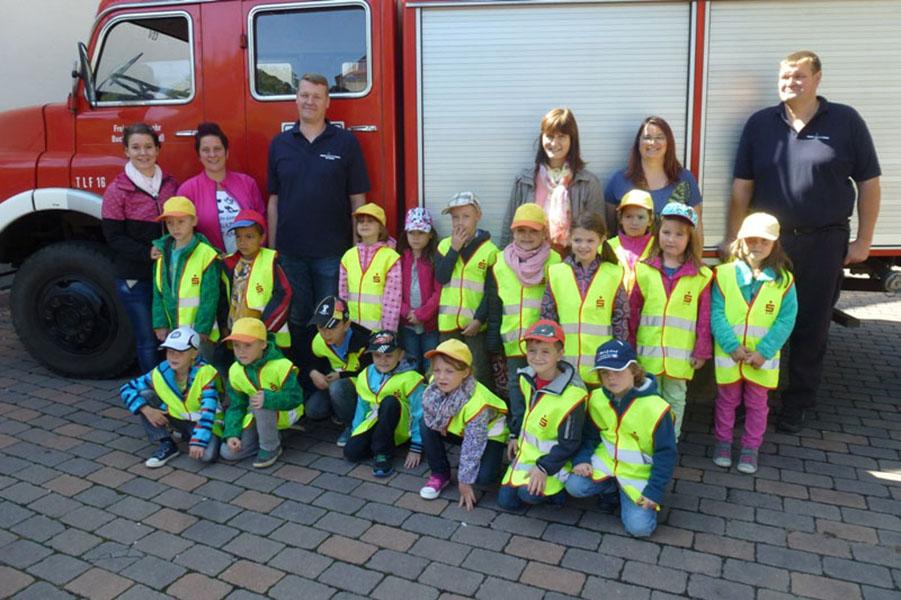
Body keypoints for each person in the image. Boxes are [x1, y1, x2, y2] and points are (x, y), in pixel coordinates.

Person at [725, 50, 881, 433]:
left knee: (811, 324)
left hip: (825, 241)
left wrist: (864, 241)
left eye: (798, 77)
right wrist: (733, 236)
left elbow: (870, 185)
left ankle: (798, 403)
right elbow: (742, 189)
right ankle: (754, 397)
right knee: (757, 322)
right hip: (768, 245)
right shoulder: (761, 124)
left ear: (817, 78)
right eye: (784, 77)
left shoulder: (846, 121)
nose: (790, 83)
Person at [267, 72, 370, 371]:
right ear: (296, 99)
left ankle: (330, 381)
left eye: (316, 96)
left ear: (327, 102)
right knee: (298, 318)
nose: (309, 101)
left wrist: (356, 249)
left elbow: (357, 199)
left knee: (330, 320)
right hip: (291, 251)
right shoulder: (280, 144)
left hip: (332, 251)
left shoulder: (346, 143)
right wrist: (274, 251)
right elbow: (273, 201)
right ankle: (305, 380)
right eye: (304, 95)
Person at [712, 213, 797, 473]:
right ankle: (723, 443)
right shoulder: (723, 275)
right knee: (726, 401)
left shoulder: (783, 281)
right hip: (730, 355)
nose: (757, 245)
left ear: (775, 245)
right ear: (740, 242)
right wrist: (732, 346)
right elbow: (716, 313)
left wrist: (764, 351)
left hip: (761, 360)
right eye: (751, 240)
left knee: (757, 404)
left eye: (765, 241)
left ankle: (750, 448)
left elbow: (785, 320)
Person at [566, 339, 677, 538]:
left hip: (638, 477)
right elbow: (589, 436)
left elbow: (666, 455)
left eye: (617, 371)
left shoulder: (657, 408)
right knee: (574, 486)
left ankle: (631, 496)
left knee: (639, 529)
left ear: (634, 370)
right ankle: (611, 488)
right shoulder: (597, 398)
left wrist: (654, 491)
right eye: (604, 373)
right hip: (607, 465)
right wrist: (582, 459)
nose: (611, 378)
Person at [630, 203, 712, 439]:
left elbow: (704, 318)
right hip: (649, 353)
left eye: (679, 234)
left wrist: (702, 350)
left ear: (690, 238)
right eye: (666, 232)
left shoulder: (701, 276)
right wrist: (630, 346)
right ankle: (647, 440)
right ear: (658, 233)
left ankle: (670, 441)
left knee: (675, 398)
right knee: (647, 397)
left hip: (680, 356)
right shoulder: (644, 270)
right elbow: (633, 312)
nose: (671, 239)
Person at [101, 122, 179, 372]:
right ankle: (154, 393)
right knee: (148, 340)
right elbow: (113, 237)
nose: (143, 153)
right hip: (135, 278)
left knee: (171, 338)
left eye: (148, 147)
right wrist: (147, 253)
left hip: (167, 277)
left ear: (158, 150)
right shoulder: (117, 191)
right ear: (126, 151)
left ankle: (176, 393)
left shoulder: (170, 184)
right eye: (136, 147)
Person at [498, 320, 586, 510]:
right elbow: (522, 414)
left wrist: (543, 468)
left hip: (555, 462)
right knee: (507, 503)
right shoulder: (526, 378)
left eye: (545, 352)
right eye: (532, 351)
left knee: (526, 495)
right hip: (526, 457)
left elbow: (570, 443)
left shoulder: (573, 396)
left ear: (560, 354)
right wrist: (514, 435)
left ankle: (558, 494)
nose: (537, 357)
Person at [418, 339, 508, 511]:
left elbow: (473, 445)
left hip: (488, 434)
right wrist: (440, 423)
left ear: (466, 372)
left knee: (484, 478)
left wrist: (464, 481)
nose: (441, 377)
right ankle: (440, 473)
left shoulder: (477, 404)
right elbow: (432, 413)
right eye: (437, 370)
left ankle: (495, 463)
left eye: (449, 371)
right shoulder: (435, 384)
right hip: (460, 430)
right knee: (425, 423)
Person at [542, 211, 628, 388]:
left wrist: (618, 358)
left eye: (590, 241)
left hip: (602, 367)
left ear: (602, 240)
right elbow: (548, 318)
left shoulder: (613, 274)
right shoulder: (557, 273)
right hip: (565, 367)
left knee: (599, 413)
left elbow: (620, 320)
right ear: (569, 239)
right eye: (578, 240)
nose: (583, 246)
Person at [488, 203, 561, 411]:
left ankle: (539, 427)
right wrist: (494, 337)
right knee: (515, 384)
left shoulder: (555, 261)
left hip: (543, 340)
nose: (526, 236)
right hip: (513, 338)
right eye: (521, 230)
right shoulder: (501, 261)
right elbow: (495, 303)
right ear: (513, 232)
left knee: (544, 385)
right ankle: (517, 430)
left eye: (533, 231)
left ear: (544, 233)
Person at [503, 107, 603, 251]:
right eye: (549, 136)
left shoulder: (588, 183)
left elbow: (597, 232)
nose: (554, 143)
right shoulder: (524, 181)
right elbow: (509, 228)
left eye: (561, 136)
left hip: (571, 266)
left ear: (572, 140)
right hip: (530, 266)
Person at [120, 326, 221, 467]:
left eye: (179, 352)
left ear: (194, 353)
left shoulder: (205, 373)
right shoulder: (162, 370)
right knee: (144, 395)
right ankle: (167, 443)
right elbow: (127, 388)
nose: (173, 357)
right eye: (170, 351)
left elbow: (208, 411)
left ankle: (188, 435)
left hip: (202, 421)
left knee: (207, 456)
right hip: (177, 417)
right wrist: (147, 410)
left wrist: (199, 441)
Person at [220, 318, 304, 468]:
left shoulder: (281, 365)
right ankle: (269, 435)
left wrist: (269, 399)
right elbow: (236, 405)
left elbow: (296, 397)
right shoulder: (235, 370)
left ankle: (270, 447)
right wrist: (232, 433)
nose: (241, 351)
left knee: (260, 399)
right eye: (236, 346)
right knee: (228, 452)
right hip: (257, 412)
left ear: (263, 344)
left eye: (247, 345)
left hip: (286, 412)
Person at [434, 191, 498, 388]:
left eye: (466, 216)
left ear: (477, 216)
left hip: (474, 326)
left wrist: (479, 319)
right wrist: (454, 249)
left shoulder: (490, 251)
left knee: (478, 372)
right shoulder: (444, 246)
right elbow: (441, 277)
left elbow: (491, 293)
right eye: (455, 217)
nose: (460, 222)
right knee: (448, 372)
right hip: (448, 325)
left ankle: (483, 412)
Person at [177, 122, 266, 254]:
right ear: (199, 156)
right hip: (209, 267)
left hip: (248, 264)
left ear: (227, 153)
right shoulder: (187, 190)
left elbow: (262, 223)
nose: (212, 154)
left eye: (217, 149)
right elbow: (179, 231)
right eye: (206, 150)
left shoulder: (247, 183)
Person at [344, 330, 424, 477]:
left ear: (400, 354)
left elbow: (420, 413)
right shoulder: (365, 374)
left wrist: (416, 446)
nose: (383, 360)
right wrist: (355, 432)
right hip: (376, 423)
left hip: (402, 426)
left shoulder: (412, 378)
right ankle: (380, 443)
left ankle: (382, 454)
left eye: (389, 355)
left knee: (389, 402)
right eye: (377, 355)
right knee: (351, 452)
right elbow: (361, 407)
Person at [150, 197, 221, 358]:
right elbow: (158, 292)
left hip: (200, 332)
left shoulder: (206, 254)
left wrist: (202, 329)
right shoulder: (162, 254)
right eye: (170, 223)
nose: (175, 228)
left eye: (181, 222)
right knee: (181, 372)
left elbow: (210, 296)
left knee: (202, 372)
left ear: (194, 221)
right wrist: (160, 323)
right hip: (173, 330)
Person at [604, 116, 703, 229]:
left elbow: (697, 228)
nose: (652, 142)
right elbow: (609, 230)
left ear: (668, 143)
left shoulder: (685, 178)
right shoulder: (619, 180)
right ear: (638, 143)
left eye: (659, 137)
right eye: (647, 137)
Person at [305, 295, 373, 446]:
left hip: (362, 389)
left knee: (338, 388)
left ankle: (351, 425)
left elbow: (369, 373)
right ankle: (339, 412)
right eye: (321, 327)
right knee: (313, 410)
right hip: (335, 383)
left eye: (332, 327)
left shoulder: (364, 341)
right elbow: (309, 360)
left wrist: (341, 375)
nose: (326, 333)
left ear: (347, 324)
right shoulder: (318, 340)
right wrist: (313, 372)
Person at [221, 209, 292, 350]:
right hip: (237, 331)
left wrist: (265, 328)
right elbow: (223, 298)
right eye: (238, 237)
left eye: (249, 237)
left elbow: (284, 294)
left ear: (262, 237)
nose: (243, 242)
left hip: (268, 332)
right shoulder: (229, 263)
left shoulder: (272, 260)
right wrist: (224, 325)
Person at [339, 203, 401, 332]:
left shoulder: (390, 257)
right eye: (360, 221)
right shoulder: (348, 256)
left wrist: (388, 332)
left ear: (381, 228)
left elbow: (392, 300)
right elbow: (343, 294)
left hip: (378, 330)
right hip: (352, 328)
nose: (364, 224)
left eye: (370, 221)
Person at [398, 207, 441, 373]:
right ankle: (413, 395)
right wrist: (406, 312)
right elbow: (394, 291)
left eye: (421, 233)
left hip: (429, 325)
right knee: (411, 362)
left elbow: (439, 292)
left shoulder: (434, 259)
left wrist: (422, 314)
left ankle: (430, 395)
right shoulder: (400, 258)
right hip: (407, 324)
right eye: (411, 233)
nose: (415, 237)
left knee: (431, 363)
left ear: (430, 234)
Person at [608, 189, 655, 293]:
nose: (634, 222)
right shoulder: (608, 247)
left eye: (640, 217)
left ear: (650, 220)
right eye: (628, 216)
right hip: (616, 306)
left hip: (648, 307)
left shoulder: (658, 247)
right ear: (621, 219)